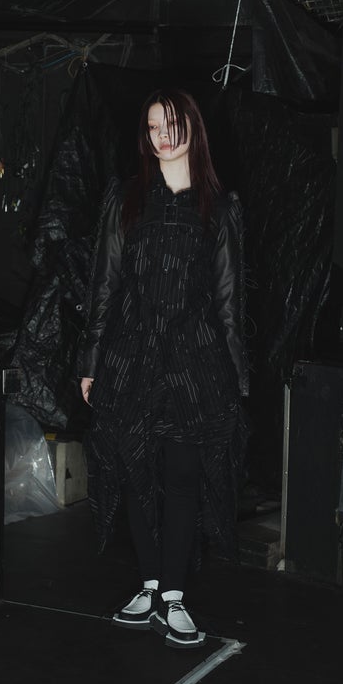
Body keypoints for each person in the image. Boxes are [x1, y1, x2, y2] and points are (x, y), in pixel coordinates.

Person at [77, 87, 250, 649]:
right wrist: (90, 361)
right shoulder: (125, 199)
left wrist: (235, 375)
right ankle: (149, 585)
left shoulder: (218, 207)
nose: (162, 136)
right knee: (134, 470)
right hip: (130, 357)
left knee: (180, 477)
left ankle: (173, 597)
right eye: (153, 127)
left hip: (193, 363)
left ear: (192, 127)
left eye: (171, 124)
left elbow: (228, 299)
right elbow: (104, 284)